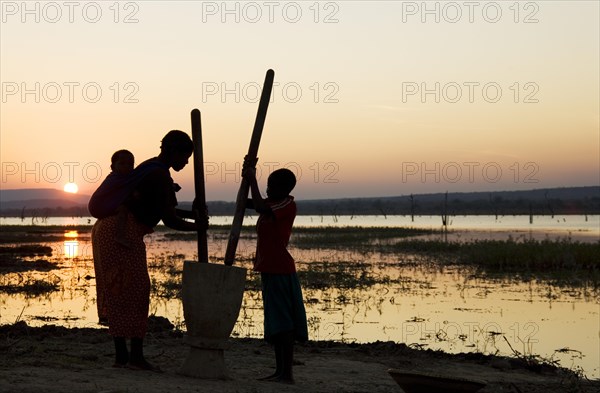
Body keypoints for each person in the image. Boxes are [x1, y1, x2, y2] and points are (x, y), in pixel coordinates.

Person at [91, 130, 206, 371]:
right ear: (173, 151)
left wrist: (195, 217)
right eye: (184, 157)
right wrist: (198, 228)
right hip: (120, 232)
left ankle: (123, 357)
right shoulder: (158, 174)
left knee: (121, 289)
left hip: (109, 230)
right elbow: (170, 219)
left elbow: (165, 209)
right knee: (133, 290)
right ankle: (133, 358)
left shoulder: (151, 169)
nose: (185, 162)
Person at [242, 157, 308, 384]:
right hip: (270, 269)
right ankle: (280, 371)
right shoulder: (273, 204)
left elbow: (260, 205)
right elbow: (253, 203)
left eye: (271, 186)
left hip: (280, 270)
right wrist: (246, 182)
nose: (268, 189)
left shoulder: (286, 205)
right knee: (277, 323)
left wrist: (252, 180)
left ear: (284, 189)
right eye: (267, 185)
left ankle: (286, 373)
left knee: (284, 324)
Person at [91, 149, 135, 325]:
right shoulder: (117, 179)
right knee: (123, 209)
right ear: (113, 166)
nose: (127, 167)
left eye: (130, 164)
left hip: (100, 208)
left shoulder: (119, 179)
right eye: (122, 164)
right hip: (100, 208)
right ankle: (119, 235)